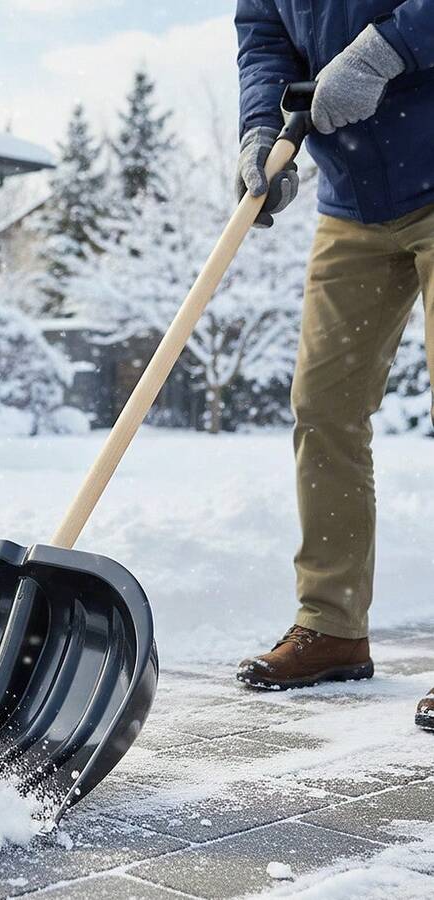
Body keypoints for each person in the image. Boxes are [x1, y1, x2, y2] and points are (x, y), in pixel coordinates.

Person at [232, 0, 434, 732]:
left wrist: (387, 48)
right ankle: (333, 624)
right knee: (324, 409)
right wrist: (261, 128)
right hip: (353, 200)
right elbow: (264, 43)